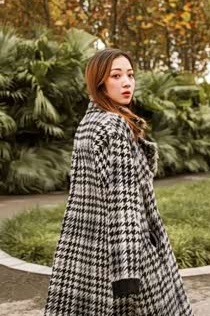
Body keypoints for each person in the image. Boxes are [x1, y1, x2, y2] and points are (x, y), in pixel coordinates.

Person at [43, 48, 194, 316]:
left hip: (89, 249)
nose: (127, 82)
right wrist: (127, 273)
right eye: (116, 76)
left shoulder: (88, 124)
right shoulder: (114, 126)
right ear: (99, 82)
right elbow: (123, 202)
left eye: (130, 75)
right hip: (126, 251)